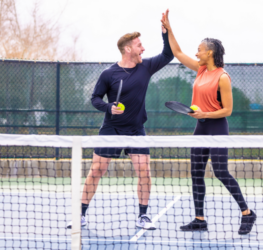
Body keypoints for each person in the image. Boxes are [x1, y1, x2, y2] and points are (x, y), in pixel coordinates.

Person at [67, 11, 174, 230]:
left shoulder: (146, 66)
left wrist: (166, 32)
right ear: (128, 49)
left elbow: (168, 55)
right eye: (139, 45)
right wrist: (108, 107)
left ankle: (143, 216)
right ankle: (80, 215)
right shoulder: (109, 74)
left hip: (136, 130)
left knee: (144, 171)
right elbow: (95, 98)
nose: (143, 48)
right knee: (96, 170)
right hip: (111, 129)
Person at [161, 10, 256, 235]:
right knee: (196, 171)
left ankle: (247, 213)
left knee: (221, 171)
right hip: (200, 126)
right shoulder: (201, 69)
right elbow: (178, 52)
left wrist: (204, 113)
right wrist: (168, 30)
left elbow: (228, 110)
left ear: (210, 52)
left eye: (200, 50)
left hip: (216, 126)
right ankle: (199, 218)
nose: (197, 53)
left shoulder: (222, 77)